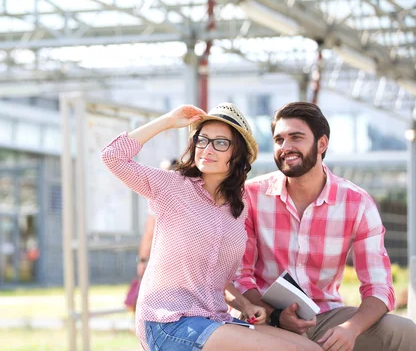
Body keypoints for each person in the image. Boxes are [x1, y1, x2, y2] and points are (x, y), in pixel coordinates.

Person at [102, 103, 321, 351]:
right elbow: (112, 156)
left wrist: (244, 306)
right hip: (169, 321)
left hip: (214, 319)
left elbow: (213, 280)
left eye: (220, 143)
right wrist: (168, 121)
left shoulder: (237, 208)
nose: (207, 149)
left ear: (237, 154)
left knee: (309, 347)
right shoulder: (172, 187)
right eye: (202, 140)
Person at [235, 101, 416, 351]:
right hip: (265, 318)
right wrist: (274, 315)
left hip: (326, 317)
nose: (285, 147)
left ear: (322, 144)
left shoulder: (357, 203)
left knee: (405, 332)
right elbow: (239, 276)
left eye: (296, 137)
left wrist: (349, 329)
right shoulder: (251, 196)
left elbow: (378, 286)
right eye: (279, 140)